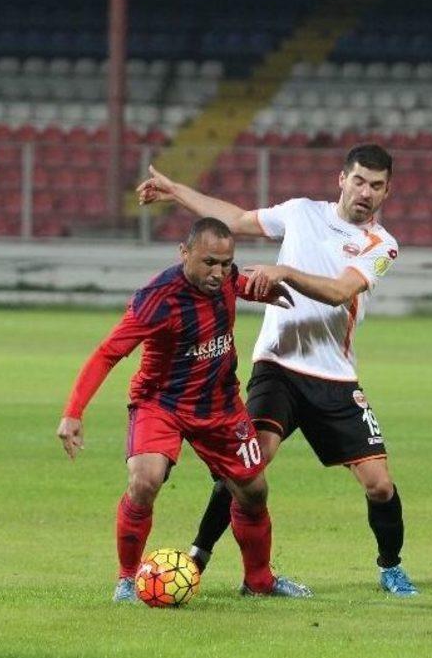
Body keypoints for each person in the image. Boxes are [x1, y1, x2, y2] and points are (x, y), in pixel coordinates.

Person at [136, 144, 419, 597]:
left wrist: (284, 270)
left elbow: (339, 291)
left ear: (387, 191)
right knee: (246, 468)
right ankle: (198, 555)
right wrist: (177, 192)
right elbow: (239, 219)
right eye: (360, 180)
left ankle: (391, 566)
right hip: (278, 368)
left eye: (377, 185)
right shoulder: (302, 212)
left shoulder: (381, 245)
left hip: (335, 380)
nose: (366, 192)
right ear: (341, 179)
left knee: (380, 485)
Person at [57, 217, 311, 602]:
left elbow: (240, 283)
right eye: (209, 262)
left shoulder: (226, 278)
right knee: (145, 480)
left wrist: (261, 292)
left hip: (220, 404)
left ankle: (258, 581)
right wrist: (73, 412)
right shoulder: (157, 298)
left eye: (226, 264)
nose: (219, 273)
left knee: (254, 491)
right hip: (161, 402)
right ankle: (127, 579)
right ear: (185, 253)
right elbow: (108, 353)